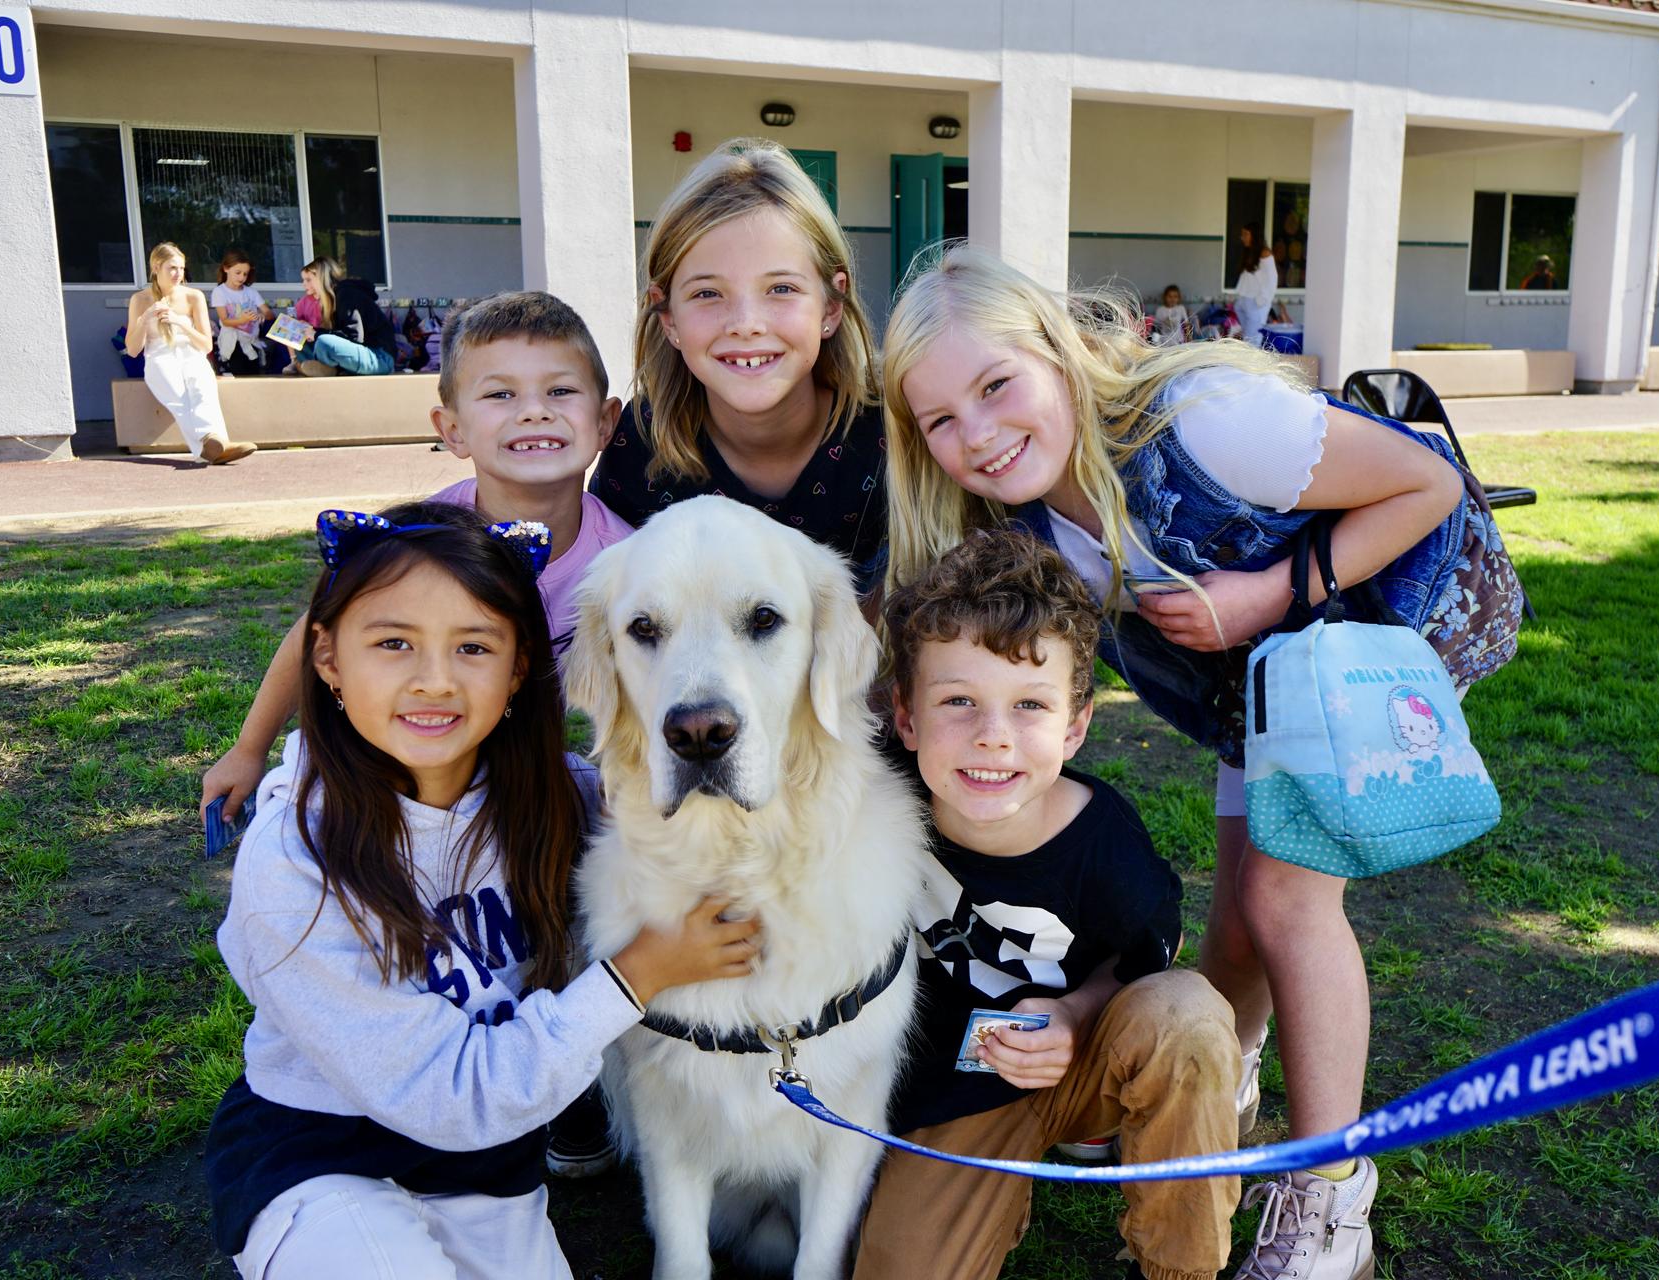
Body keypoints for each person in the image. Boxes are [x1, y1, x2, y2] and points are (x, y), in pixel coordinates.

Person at [879, 245, 1523, 1280]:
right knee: (1232, 925)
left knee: (1284, 900)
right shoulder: (1028, 506)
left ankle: (1328, 1201)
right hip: (1262, 671)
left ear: (1058, 351)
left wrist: (1273, 591)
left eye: (996, 386)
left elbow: (1428, 481)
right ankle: (1218, 1082)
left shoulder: (1209, 423)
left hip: (1371, 630)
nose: (979, 434)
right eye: (940, 420)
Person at [203, 502, 760, 1279]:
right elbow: (451, 1096)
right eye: (393, 643)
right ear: (326, 659)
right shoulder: (292, 863)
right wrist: (641, 974)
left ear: (519, 667)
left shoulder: (561, 800)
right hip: (323, 1152)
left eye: (473, 646)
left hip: (490, 1171)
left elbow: (707, 823)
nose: (434, 681)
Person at [857, 528, 1240, 1280]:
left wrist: (1073, 1017)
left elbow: (1147, 965)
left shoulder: (1108, 851)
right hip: (951, 1092)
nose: (993, 738)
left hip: (1082, 1059)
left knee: (1185, 1019)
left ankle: (1179, 1269)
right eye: (958, 700)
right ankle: (994, 1193)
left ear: (1075, 726)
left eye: (1029, 705)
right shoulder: (872, 792)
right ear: (905, 717)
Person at [199, 290, 629, 823]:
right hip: (405, 766)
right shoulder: (413, 541)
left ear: (606, 422)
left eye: (561, 391)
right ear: (452, 430)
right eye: (500, 395)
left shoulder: (631, 565)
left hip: (532, 774)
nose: (534, 411)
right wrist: (248, 749)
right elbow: (315, 634)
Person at [587, 138, 885, 585]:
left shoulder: (890, 433)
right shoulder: (641, 445)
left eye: (781, 289)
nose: (745, 324)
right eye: (708, 293)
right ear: (668, 318)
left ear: (830, 306)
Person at [123, 242, 257, 465]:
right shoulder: (141, 299)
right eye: (172, 268)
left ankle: (213, 444)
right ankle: (215, 442)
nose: (178, 274)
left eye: (181, 268)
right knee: (179, 396)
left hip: (191, 353)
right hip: (159, 356)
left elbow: (205, 345)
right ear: (156, 268)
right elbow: (133, 349)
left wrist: (179, 323)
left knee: (203, 388)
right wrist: (145, 319)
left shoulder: (193, 296)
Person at [297, 259, 396, 377]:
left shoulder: (347, 294)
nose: (304, 284)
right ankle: (324, 368)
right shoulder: (331, 300)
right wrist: (310, 331)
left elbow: (354, 336)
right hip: (358, 354)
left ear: (321, 279)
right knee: (300, 339)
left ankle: (330, 369)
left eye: (308, 280)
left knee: (323, 341)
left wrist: (316, 334)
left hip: (379, 357)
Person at [211, 250, 275, 377]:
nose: (241, 278)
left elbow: (269, 313)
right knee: (240, 372)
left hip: (252, 341)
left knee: (254, 372)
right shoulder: (219, 292)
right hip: (232, 342)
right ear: (226, 269)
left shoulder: (251, 292)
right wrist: (243, 320)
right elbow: (225, 321)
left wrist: (263, 315)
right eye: (238, 273)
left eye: (245, 274)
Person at [1234, 232, 1280, 351]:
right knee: (1248, 341)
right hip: (1246, 300)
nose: (1242, 237)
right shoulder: (1250, 253)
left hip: (1256, 303)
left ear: (1254, 235)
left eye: (1246, 234)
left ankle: (1251, 369)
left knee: (1251, 344)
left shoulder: (1265, 253)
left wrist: (1261, 300)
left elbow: (1271, 279)